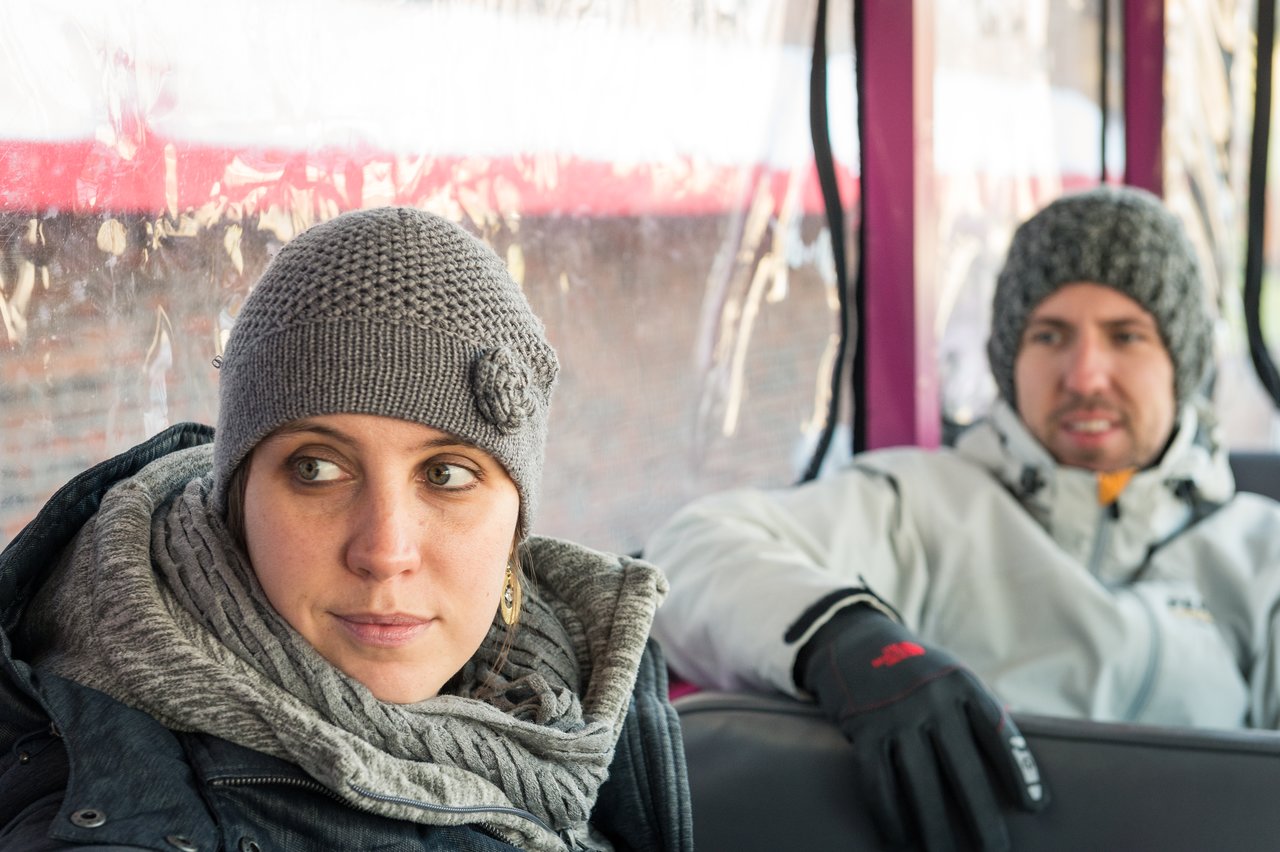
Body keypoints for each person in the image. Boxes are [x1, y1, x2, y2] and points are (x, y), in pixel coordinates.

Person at [0, 207, 691, 851]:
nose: (385, 552)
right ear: (233, 504)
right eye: (316, 468)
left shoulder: (583, 689)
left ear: (516, 525)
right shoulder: (104, 814)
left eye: (446, 475)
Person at [645, 185, 1280, 851]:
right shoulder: (924, 503)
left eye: (1126, 337)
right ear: (1010, 360)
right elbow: (684, 556)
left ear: (1182, 366)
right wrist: (848, 640)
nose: (1085, 375)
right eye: (1049, 335)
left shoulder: (1258, 553)